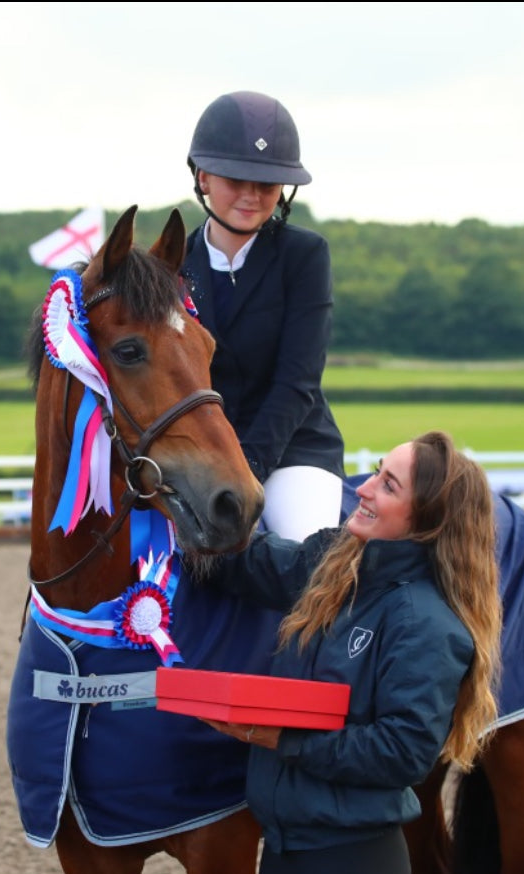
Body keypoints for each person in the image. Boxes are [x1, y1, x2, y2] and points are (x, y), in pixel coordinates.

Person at [194, 430, 503, 874]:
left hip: (353, 861)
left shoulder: (426, 622)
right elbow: (248, 563)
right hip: (284, 853)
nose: (364, 488)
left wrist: (284, 739)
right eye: (378, 472)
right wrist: (176, 515)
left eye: (389, 485)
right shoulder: (334, 567)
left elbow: (403, 753)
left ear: (427, 518)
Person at [181, 90, 345, 541]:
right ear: (204, 177)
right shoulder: (173, 264)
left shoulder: (305, 256)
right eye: (237, 180)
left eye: (267, 184)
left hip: (293, 450)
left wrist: (246, 467)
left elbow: (298, 382)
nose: (252, 197)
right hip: (201, 453)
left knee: (305, 561)